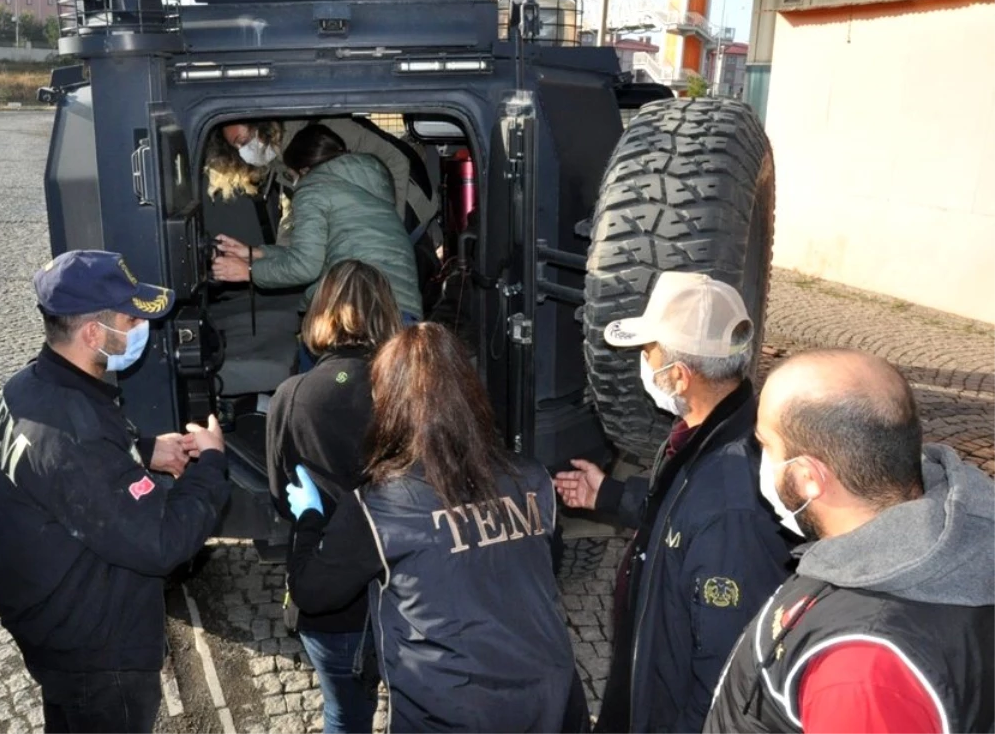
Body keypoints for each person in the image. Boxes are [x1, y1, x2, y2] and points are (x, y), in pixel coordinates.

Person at [286, 323, 590, 733]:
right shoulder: (532, 477)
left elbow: (312, 591)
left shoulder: (378, 505)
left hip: (449, 710)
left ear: (388, 401)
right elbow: (543, 567)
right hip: (550, 700)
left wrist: (307, 518)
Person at [0, 250, 232, 734]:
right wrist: (213, 465)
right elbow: (160, 543)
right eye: (131, 316)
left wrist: (143, 450)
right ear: (93, 333)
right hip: (94, 650)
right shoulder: (74, 432)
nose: (142, 324)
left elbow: (70, 474)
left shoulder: (25, 389)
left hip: (49, 620)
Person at [704, 349, 995, 733]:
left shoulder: (862, 670)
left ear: (809, 477)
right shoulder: (938, 534)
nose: (758, 459)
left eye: (766, 445)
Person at [554, 271, 791, 734]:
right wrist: (612, 495)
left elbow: (721, 672)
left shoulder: (732, 499)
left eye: (648, 353)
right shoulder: (710, 432)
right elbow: (682, 514)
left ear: (679, 377)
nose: (645, 362)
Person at [266, 259, 404, 734]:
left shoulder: (290, 394)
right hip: (406, 587)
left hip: (329, 590)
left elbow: (281, 497)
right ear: (388, 313)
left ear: (320, 312)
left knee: (344, 714)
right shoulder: (407, 392)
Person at [213, 124, 422, 318]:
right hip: (403, 304)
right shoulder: (364, 180)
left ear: (301, 169)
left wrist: (248, 272)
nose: (243, 150)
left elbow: (305, 266)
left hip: (360, 309)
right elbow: (311, 251)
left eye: (243, 140)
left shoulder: (313, 189)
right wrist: (255, 254)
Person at [211, 117, 438, 243]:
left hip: (409, 204)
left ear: (261, 125)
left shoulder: (324, 130)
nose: (244, 151)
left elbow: (396, 159)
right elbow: (297, 206)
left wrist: (393, 227)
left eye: (244, 140)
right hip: (366, 224)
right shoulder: (279, 162)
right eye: (238, 147)